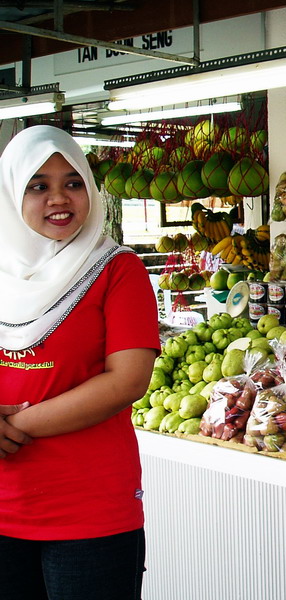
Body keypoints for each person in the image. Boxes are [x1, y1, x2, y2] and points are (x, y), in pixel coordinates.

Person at [0, 125, 161, 600]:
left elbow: (127, 380)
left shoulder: (116, 270)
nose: (59, 199)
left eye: (73, 183)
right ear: (11, 192)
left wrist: (15, 425)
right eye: (38, 185)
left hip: (90, 509)